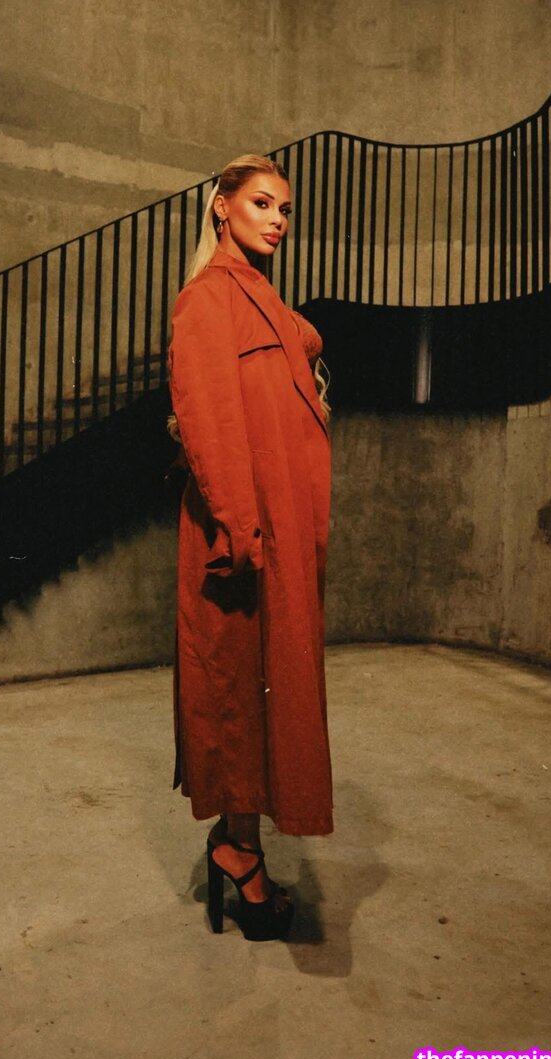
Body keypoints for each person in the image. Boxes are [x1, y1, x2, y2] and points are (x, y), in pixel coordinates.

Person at [166, 154, 333, 941]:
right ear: (220, 208)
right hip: (243, 534)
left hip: (281, 530)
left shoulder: (260, 299)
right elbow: (208, 422)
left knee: (265, 691)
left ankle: (241, 846)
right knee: (236, 689)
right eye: (262, 203)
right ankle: (238, 852)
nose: (277, 220)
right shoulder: (206, 299)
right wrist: (238, 529)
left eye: (285, 209)